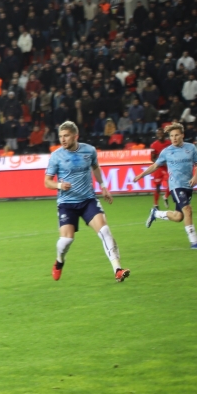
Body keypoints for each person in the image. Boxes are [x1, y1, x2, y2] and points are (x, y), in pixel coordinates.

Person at [44, 121, 129, 282]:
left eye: (66, 136)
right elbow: (47, 182)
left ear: (76, 136)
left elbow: (95, 167)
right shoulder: (56, 156)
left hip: (88, 200)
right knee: (66, 240)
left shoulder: (89, 151)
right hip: (67, 203)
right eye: (60, 136)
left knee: (105, 231)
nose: (62, 140)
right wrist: (60, 185)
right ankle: (59, 261)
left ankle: (117, 269)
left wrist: (103, 186)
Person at [136, 124, 197, 248]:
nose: (174, 138)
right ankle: (194, 242)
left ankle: (155, 213)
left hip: (188, 185)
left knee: (178, 216)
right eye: (171, 136)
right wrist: (141, 175)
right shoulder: (167, 151)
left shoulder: (191, 148)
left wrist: (195, 177)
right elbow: (155, 166)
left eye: (176, 135)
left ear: (182, 135)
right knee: (188, 210)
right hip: (176, 185)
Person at [147, 127, 173, 208]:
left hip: (167, 168)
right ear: (156, 135)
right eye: (158, 133)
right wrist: (159, 162)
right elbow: (152, 158)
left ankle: (165, 196)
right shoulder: (154, 145)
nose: (160, 135)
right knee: (157, 187)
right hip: (158, 168)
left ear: (164, 134)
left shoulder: (169, 143)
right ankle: (156, 204)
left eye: (161, 133)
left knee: (171, 184)